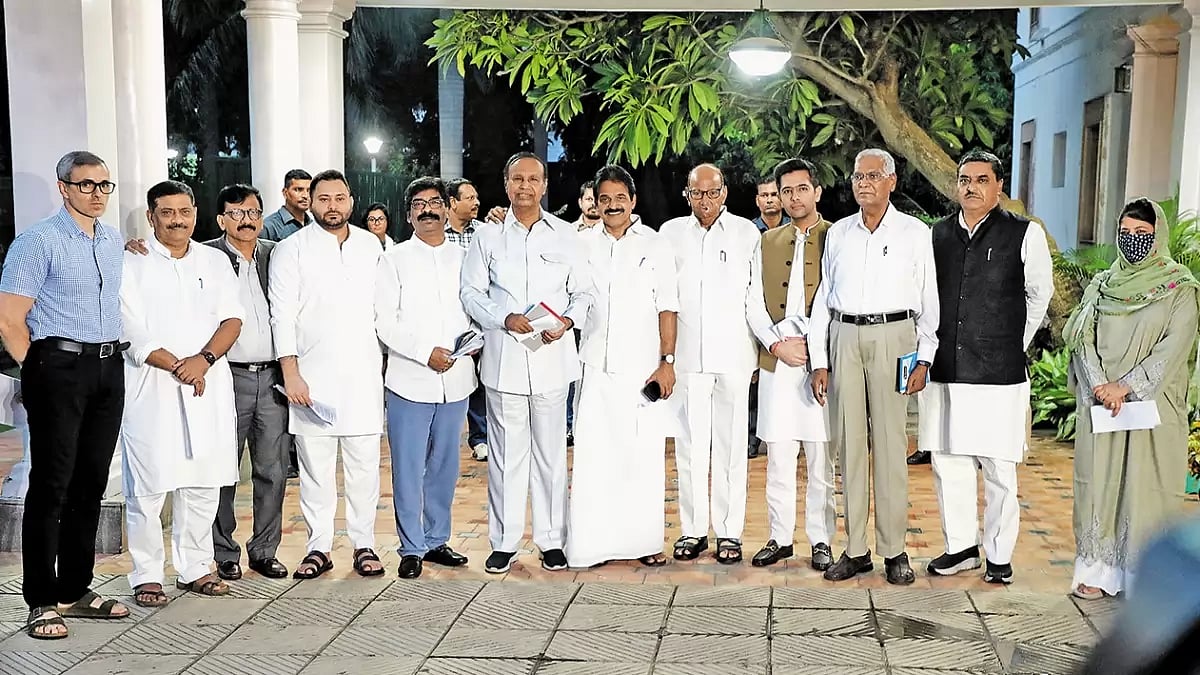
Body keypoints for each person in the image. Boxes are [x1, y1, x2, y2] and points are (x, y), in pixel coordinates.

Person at [0, 151, 130, 639]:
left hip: (107, 367)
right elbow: (10, 318)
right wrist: (38, 372)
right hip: (58, 367)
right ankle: (40, 599)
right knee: (51, 484)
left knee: (91, 481)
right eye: (86, 185)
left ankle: (76, 589)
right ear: (63, 187)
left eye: (103, 185)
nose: (96, 194)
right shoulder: (38, 242)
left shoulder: (112, 240)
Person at [919, 150, 1054, 585]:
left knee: (998, 467)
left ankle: (998, 554)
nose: (971, 187)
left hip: (1000, 373)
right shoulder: (936, 235)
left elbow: (1039, 295)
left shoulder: (1024, 234)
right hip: (945, 366)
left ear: (998, 186)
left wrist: (1013, 341)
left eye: (981, 179)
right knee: (948, 461)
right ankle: (960, 547)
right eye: (964, 179)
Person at [808, 148, 939, 585]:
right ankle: (856, 549)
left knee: (890, 444)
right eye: (857, 176)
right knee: (848, 446)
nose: (863, 183)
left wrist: (925, 355)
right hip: (844, 336)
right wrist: (819, 361)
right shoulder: (839, 234)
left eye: (872, 176)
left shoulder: (915, 233)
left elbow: (930, 299)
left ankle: (894, 550)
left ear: (892, 181)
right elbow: (823, 300)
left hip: (895, 336)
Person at [460, 152, 594, 574]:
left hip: (553, 360)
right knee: (505, 456)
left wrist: (568, 321)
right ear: (505, 184)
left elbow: (584, 294)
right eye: (517, 179)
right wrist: (503, 318)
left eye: (533, 179)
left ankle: (552, 540)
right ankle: (503, 541)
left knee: (552, 455)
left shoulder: (566, 236)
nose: (525, 187)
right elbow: (470, 292)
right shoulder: (488, 236)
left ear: (545, 185)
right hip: (505, 363)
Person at [1064, 197, 1200, 600]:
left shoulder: (1179, 288)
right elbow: (1081, 339)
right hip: (1102, 406)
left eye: (1142, 234)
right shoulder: (1102, 285)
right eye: (1126, 233)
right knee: (1099, 484)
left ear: (1158, 237)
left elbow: (1175, 346)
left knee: (1147, 486)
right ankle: (1097, 571)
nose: (1133, 240)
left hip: (1152, 407)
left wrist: (1126, 386)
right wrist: (1100, 385)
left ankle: (1144, 577)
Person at [119, 180, 243, 605]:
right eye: (167, 212)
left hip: (207, 384)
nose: (177, 220)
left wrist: (203, 361)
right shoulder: (131, 262)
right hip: (152, 386)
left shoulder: (215, 260)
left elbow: (232, 320)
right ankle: (147, 573)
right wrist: (178, 365)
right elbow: (129, 326)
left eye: (184, 211)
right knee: (149, 485)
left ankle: (195, 567)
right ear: (152, 216)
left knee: (203, 482)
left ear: (195, 213)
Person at [270, 169, 386, 579]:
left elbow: (383, 310)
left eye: (339, 198)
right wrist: (292, 373)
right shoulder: (292, 249)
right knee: (316, 470)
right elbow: (280, 316)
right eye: (324, 199)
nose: (332, 206)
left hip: (363, 376)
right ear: (310, 202)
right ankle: (318, 546)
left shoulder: (371, 246)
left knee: (364, 468)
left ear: (350, 201)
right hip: (310, 379)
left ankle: (364, 543)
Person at [567, 165, 678, 568]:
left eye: (619, 199)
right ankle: (590, 547)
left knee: (642, 457)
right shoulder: (581, 244)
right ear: (595, 203)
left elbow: (668, 306)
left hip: (641, 369)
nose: (612, 206)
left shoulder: (655, 244)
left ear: (632, 201)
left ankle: (644, 542)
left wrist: (666, 363)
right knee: (595, 457)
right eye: (604, 199)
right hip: (594, 365)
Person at [659, 163, 764, 565]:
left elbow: (754, 297)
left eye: (712, 192)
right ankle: (692, 530)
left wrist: (763, 347)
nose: (705, 200)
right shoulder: (670, 234)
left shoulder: (745, 233)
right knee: (689, 447)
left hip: (735, 356)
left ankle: (729, 532)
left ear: (724, 193)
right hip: (686, 358)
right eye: (697, 193)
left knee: (732, 447)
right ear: (687, 195)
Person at [376, 177, 474, 579]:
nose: (428, 210)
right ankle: (411, 546)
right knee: (408, 464)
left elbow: (477, 309)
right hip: (409, 380)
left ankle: (437, 540)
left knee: (445, 466)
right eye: (419, 204)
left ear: (448, 208)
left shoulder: (465, 258)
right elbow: (384, 321)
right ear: (409, 212)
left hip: (457, 379)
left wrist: (473, 343)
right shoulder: (393, 259)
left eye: (435, 202)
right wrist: (423, 353)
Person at [746, 158, 836, 571]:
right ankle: (780, 537)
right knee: (779, 456)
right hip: (778, 361)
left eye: (802, 188)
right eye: (787, 191)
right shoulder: (766, 242)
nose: (794, 197)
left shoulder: (839, 237)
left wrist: (818, 353)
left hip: (823, 362)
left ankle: (821, 540)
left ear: (816, 191)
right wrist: (776, 344)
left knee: (820, 458)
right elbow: (752, 302)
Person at [205, 184, 292, 581]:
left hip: (272, 376)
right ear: (222, 219)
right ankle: (224, 551)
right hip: (227, 376)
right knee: (224, 468)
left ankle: (264, 550)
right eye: (237, 213)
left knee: (272, 469)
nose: (247, 220)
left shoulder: (277, 255)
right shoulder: (204, 257)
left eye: (254, 212)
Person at [445, 178, 488, 462]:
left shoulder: (485, 233)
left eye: (476, 197)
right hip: (449, 320)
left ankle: (480, 437)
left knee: (482, 382)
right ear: (452, 202)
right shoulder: (437, 235)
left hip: (481, 321)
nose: (476, 203)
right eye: (469, 197)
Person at [261, 169, 315, 242]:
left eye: (309, 191)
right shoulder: (269, 227)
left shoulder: (313, 225)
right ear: (285, 193)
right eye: (298, 190)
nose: (305, 195)